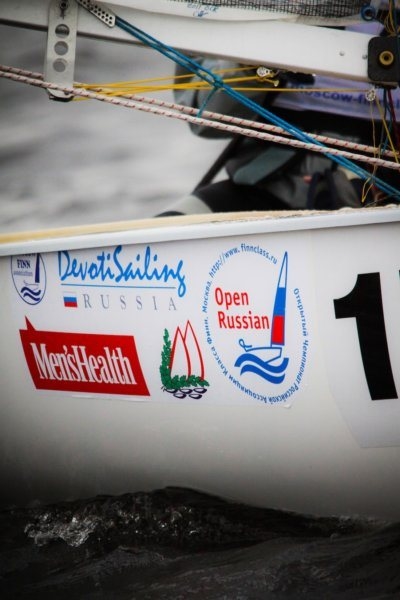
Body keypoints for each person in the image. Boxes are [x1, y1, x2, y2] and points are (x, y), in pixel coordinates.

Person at [158, 21, 399, 217]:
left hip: (386, 189)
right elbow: (201, 116)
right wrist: (251, 64)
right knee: (163, 238)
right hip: (266, 184)